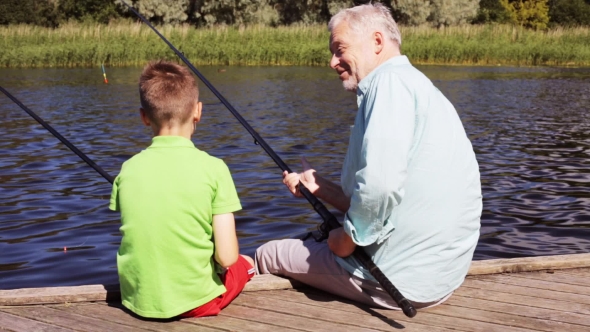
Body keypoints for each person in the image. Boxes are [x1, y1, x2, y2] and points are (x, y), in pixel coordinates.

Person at [255, 3, 482, 310]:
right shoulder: (417, 86)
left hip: (397, 282)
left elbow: (380, 188)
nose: (332, 61)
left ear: (377, 42)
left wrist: (346, 240)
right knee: (317, 239)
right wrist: (319, 186)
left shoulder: (386, 86)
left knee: (267, 253)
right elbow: (382, 199)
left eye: (340, 49)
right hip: (441, 280)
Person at [109, 61, 255, 319]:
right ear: (198, 111)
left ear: (144, 117)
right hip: (196, 303)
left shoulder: (127, 169)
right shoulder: (215, 168)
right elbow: (227, 256)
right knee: (243, 264)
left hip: (137, 299)